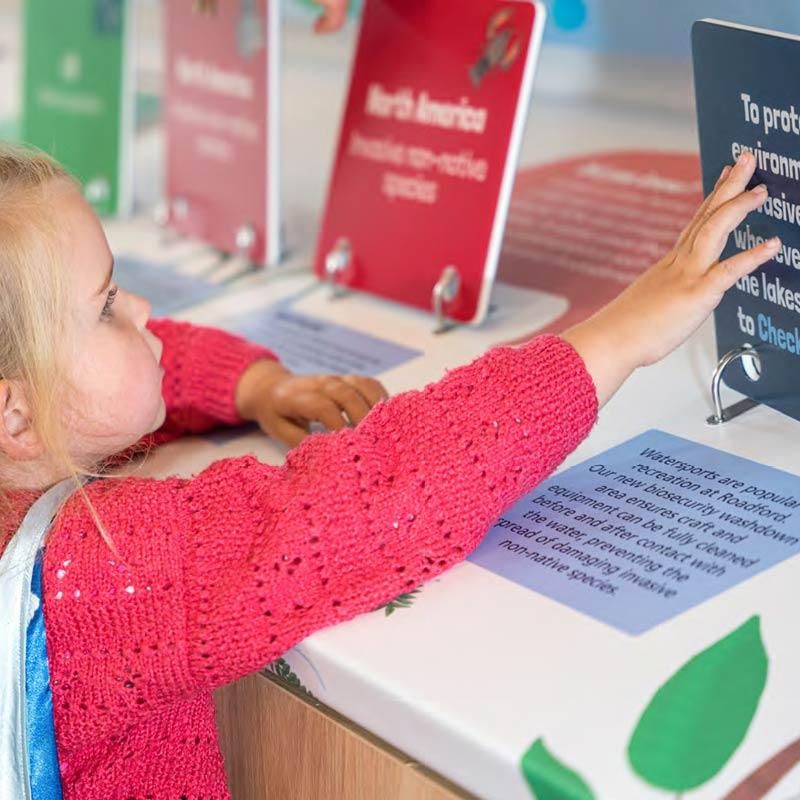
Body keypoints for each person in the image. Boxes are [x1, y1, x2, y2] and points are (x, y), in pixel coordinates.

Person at [0, 145, 776, 799]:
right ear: (16, 415)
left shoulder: (24, 451)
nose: (140, 309)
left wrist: (252, 386)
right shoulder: (95, 574)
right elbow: (369, 501)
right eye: (105, 306)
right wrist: (617, 337)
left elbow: (134, 362)